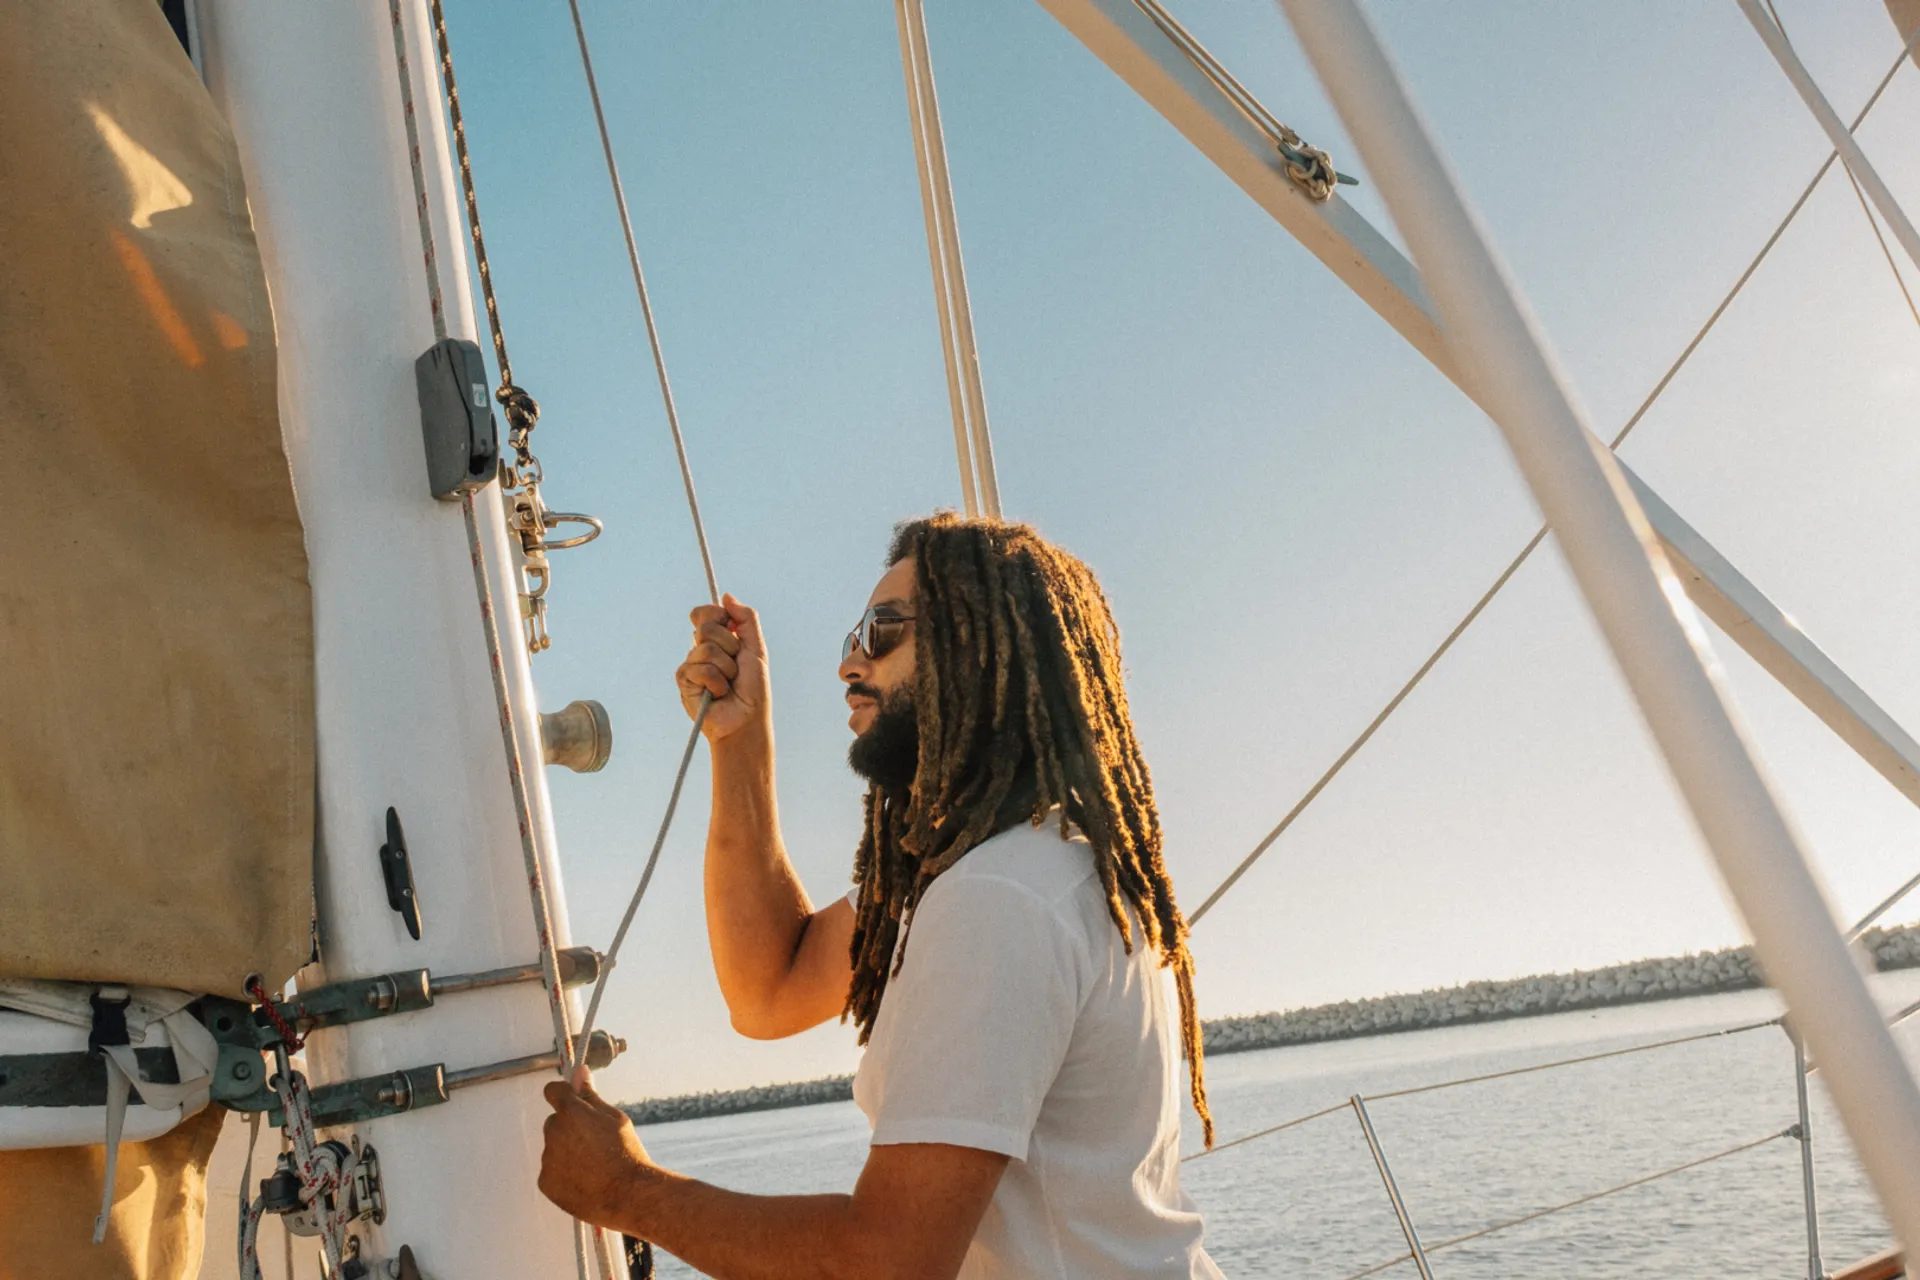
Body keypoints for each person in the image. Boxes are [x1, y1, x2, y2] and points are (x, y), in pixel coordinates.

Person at [539, 513, 1222, 1279]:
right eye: (853, 637)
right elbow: (770, 987)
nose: (850, 663)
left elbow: (888, 1264)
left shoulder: (1003, 896)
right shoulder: (1008, 867)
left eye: (884, 628)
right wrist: (740, 741)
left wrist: (628, 1190)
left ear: (980, 641)